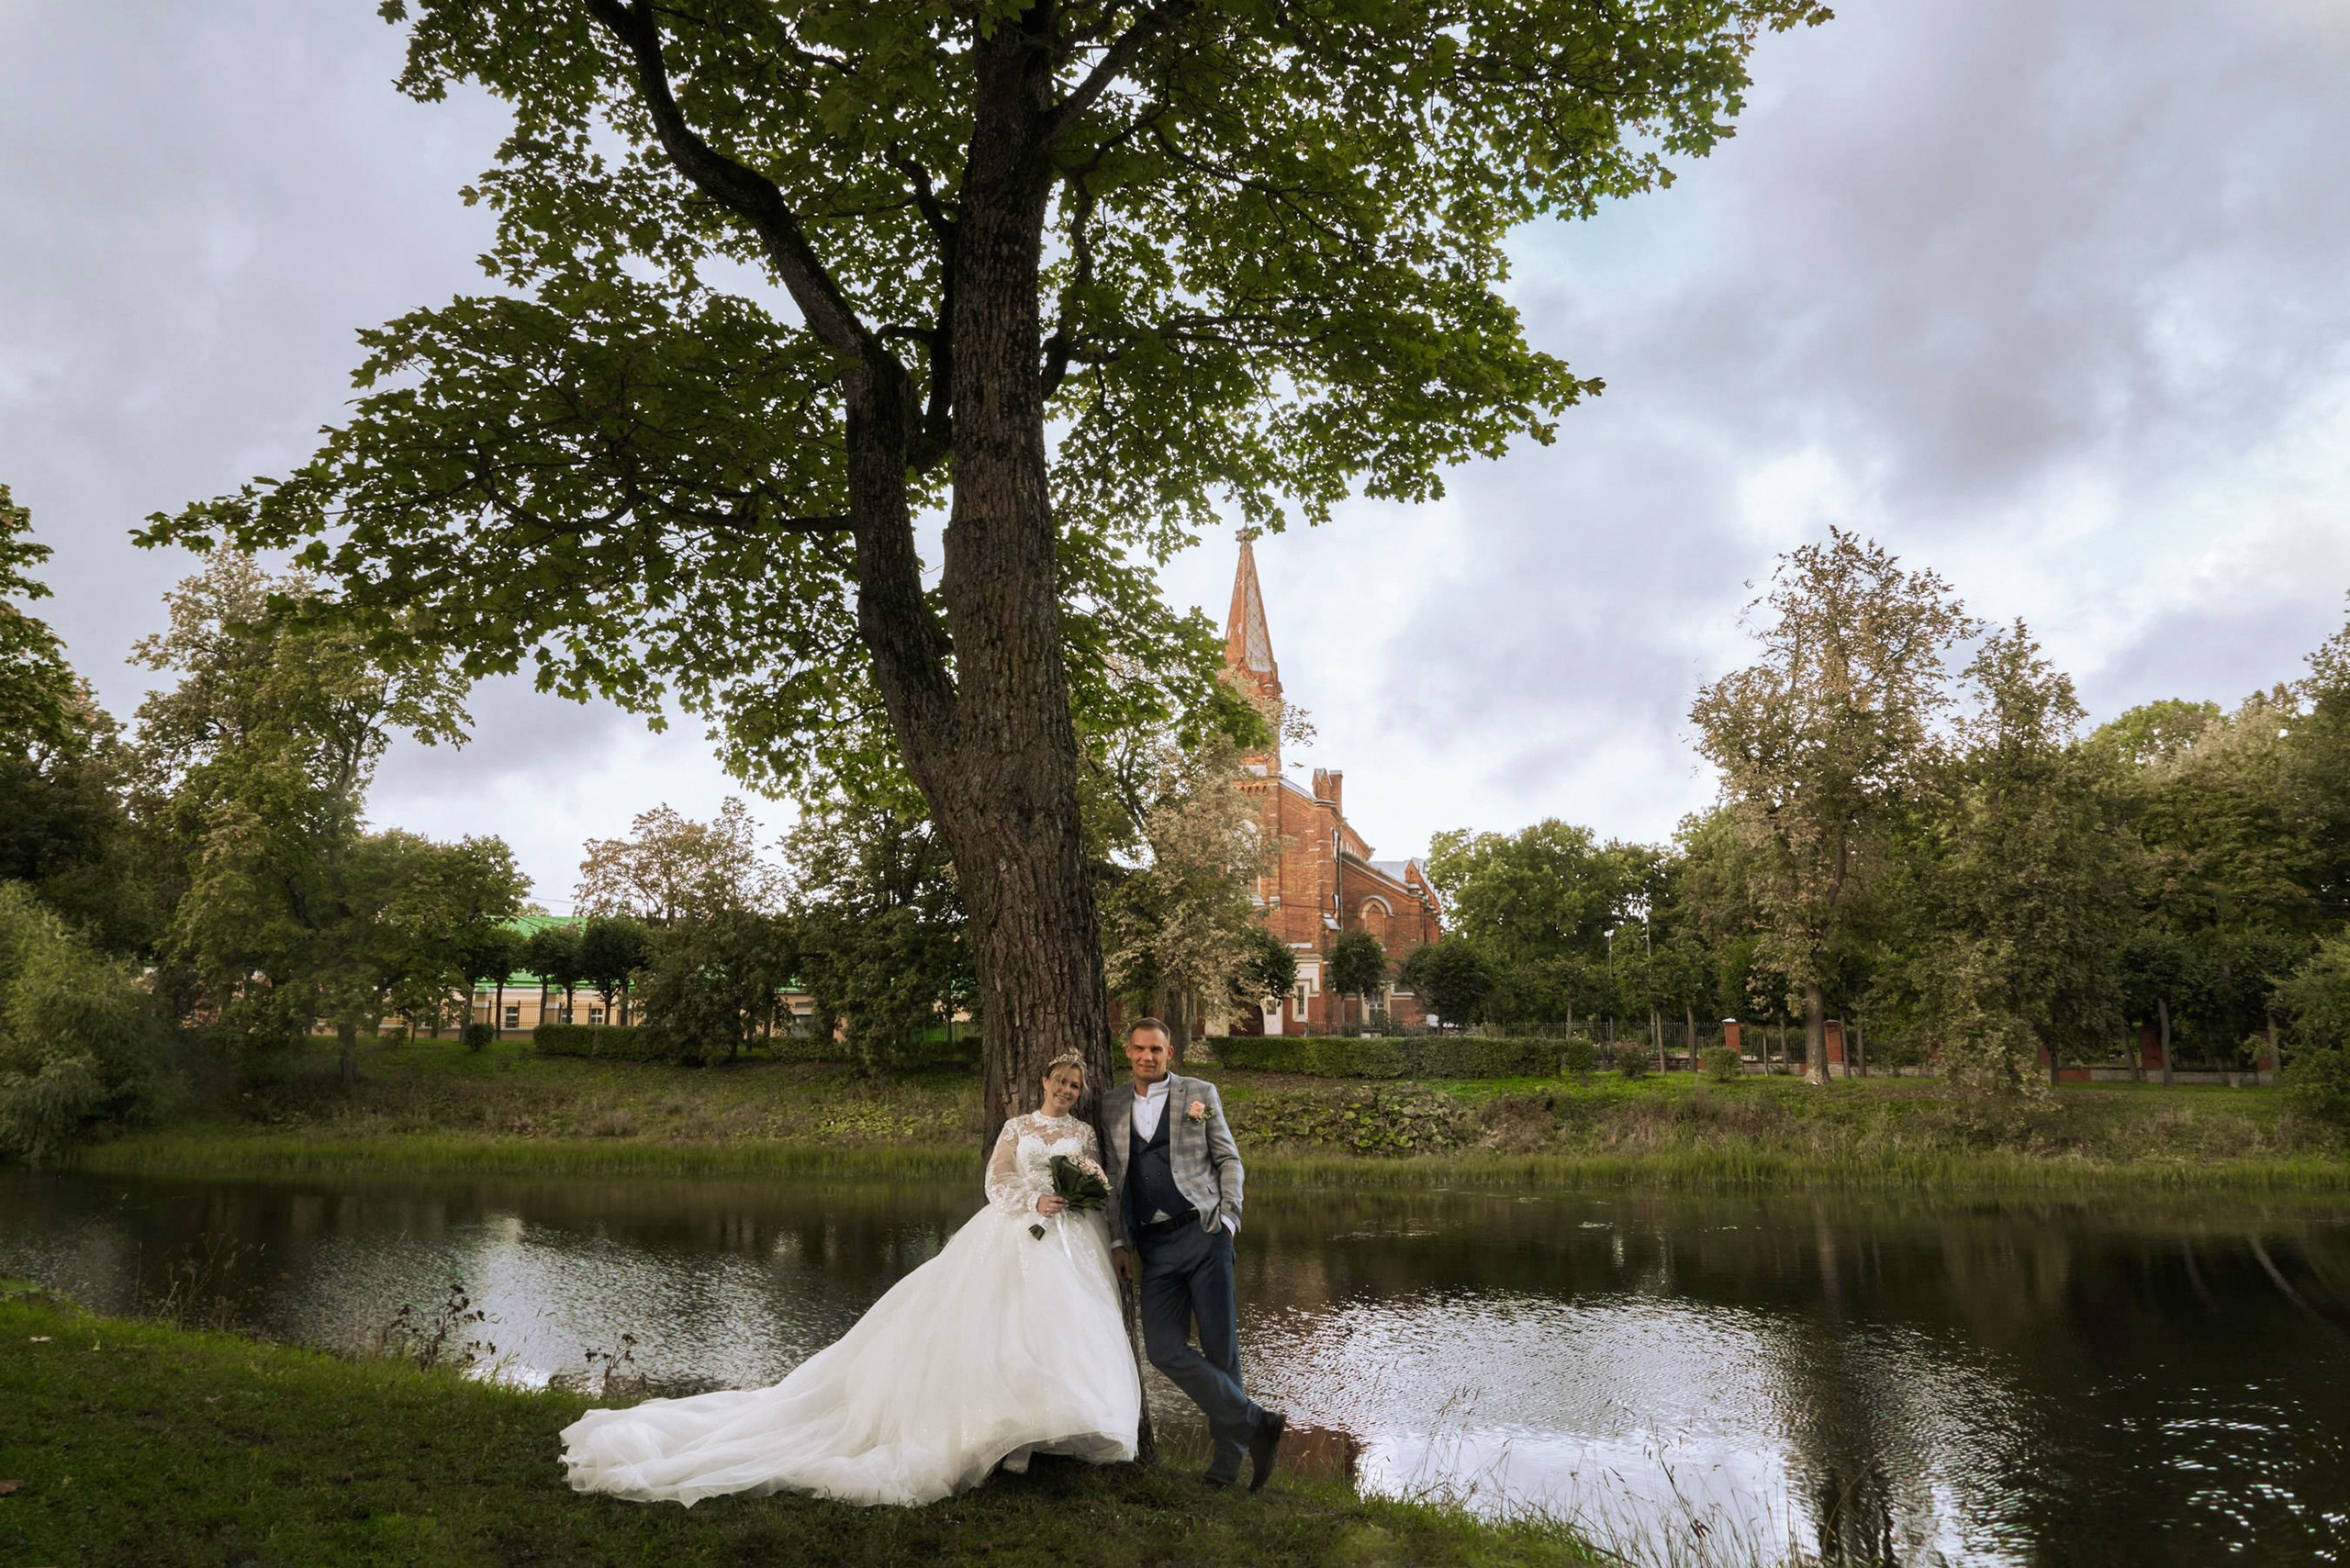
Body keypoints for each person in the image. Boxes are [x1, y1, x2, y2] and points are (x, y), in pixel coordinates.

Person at [558, 1051, 1138, 1507]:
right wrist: (1032, 1198)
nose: (1066, 1091)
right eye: (1060, 1081)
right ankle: (1003, 1441)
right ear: (1043, 1080)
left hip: (1068, 1244)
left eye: (1074, 1086)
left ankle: (1040, 1432)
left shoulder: (1084, 1135)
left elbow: (1094, 1182)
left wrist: (1081, 1195)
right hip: (1015, 1231)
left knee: (1056, 1333)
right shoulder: (1017, 1127)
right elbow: (995, 1183)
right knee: (994, 1330)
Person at [1103, 1017, 1287, 1490]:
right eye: (1140, 1049)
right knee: (1162, 1349)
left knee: (1221, 1349)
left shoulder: (1197, 1095)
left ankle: (1226, 1467)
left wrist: (1228, 1221)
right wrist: (1119, 1240)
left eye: (1157, 1050)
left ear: (1170, 1054)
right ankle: (1257, 1422)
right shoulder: (1111, 1105)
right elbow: (1112, 1182)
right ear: (1128, 1052)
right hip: (1154, 1246)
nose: (1148, 1056)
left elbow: (1228, 1158)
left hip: (1204, 1234)